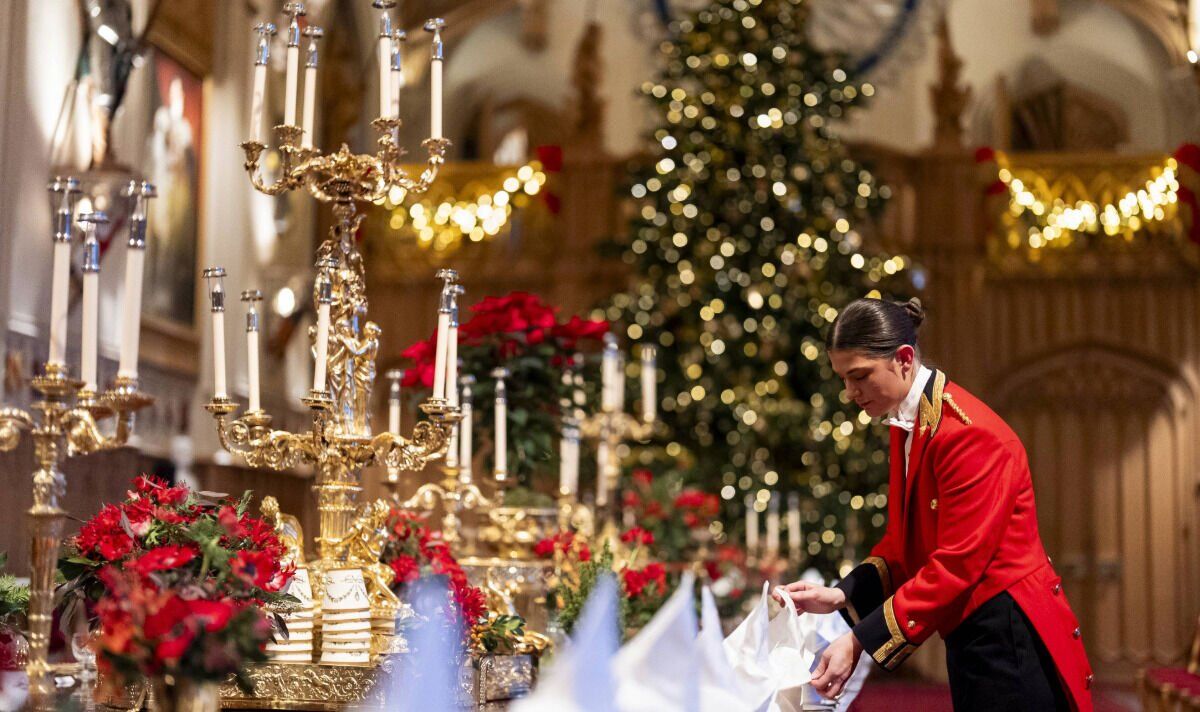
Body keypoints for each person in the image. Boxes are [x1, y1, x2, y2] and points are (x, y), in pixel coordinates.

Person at [775, 298, 1093, 711]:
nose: (850, 392)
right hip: (973, 629)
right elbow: (903, 543)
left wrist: (858, 641)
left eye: (859, 376)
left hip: (1010, 634)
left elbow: (957, 563)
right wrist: (840, 596)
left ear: (903, 359)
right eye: (843, 379)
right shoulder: (912, 421)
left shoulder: (967, 433)